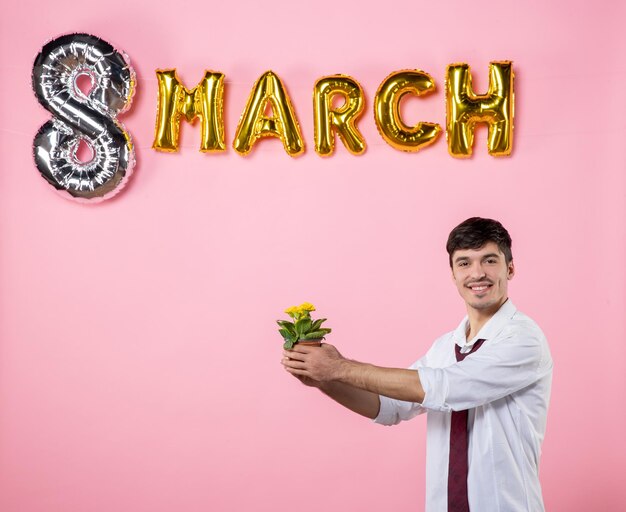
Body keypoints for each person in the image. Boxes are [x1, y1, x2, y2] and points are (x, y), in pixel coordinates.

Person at [282, 217, 553, 512]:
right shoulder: (444, 348)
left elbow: (446, 387)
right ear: (452, 274)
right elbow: (388, 406)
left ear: (510, 268)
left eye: (489, 260)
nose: (477, 273)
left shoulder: (524, 339)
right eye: (464, 263)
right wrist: (324, 380)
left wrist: (339, 367)